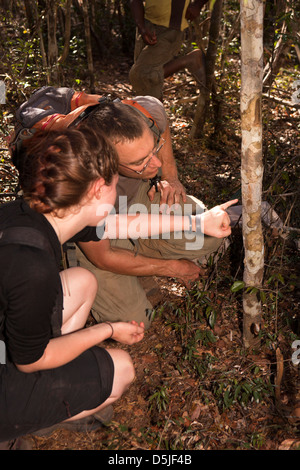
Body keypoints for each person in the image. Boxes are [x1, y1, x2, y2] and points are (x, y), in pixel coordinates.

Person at [0, 126, 145, 448]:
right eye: (115, 183)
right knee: (120, 368)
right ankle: (16, 426)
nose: (117, 192)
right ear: (97, 188)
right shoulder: (30, 266)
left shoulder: (27, 213)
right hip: (14, 362)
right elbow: (30, 360)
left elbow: (125, 224)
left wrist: (196, 222)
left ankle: (37, 397)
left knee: (81, 281)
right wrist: (107, 329)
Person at [75, 95, 236, 330]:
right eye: (142, 161)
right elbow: (102, 255)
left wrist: (170, 178)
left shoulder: (142, 114)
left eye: (154, 150)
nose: (156, 164)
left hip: (128, 209)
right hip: (94, 241)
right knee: (136, 323)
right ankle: (129, 266)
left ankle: (136, 259)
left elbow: (158, 115)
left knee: (206, 238)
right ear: (105, 163)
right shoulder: (80, 182)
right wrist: (171, 268)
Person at [129, 0, 209, 100]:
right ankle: (189, 60)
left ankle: (153, 115)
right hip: (147, 24)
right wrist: (142, 27)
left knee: (144, 74)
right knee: (143, 81)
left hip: (171, 29)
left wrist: (198, 4)